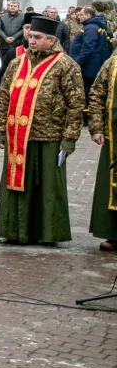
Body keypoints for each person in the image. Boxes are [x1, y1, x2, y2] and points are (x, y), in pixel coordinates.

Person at [0, 15, 82, 245]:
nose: (31, 41)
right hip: (17, 138)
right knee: (18, 185)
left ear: (51, 40)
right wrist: (0, 131)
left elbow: (76, 104)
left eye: (37, 37)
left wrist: (69, 138)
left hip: (50, 137)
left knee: (47, 188)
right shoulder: (17, 63)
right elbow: (4, 98)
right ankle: (16, 231)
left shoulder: (66, 65)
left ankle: (47, 233)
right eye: (30, 36)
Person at [87, 53, 117, 251]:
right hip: (114, 136)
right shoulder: (113, 63)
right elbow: (97, 93)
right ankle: (114, 234)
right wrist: (97, 127)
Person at [69, 5, 111, 117]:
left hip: (88, 66)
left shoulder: (91, 28)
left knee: (86, 90)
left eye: (81, 15)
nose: (79, 17)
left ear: (88, 15)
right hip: (93, 63)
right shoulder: (96, 26)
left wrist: (77, 63)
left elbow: (88, 48)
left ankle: (86, 115)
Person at [0, 11, 34, 89]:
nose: (29, 31)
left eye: (33, 28)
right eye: (27, 27)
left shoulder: (48, 55)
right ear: (22, 30)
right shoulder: (13, 53)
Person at [0, 0, 24, 66]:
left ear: (18, 8)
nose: (13, 7)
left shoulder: (23, 16)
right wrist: (5, 38)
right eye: (11, 6)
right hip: (4, 44)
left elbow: (23, 29)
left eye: (15, 6)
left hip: (17, 44)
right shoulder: (2, 16)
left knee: (15, 64)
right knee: (4, 63)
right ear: (8, 7)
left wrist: (14, 37)